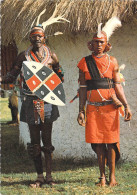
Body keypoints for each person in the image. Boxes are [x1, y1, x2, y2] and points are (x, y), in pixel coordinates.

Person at [1, 24, 65, 187]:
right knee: (35, 142)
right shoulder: (24, 57)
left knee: (47, 142)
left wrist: (49, 87)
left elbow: (59, 77)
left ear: (44, 38)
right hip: (30, 101)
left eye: (40, 36)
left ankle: (49, 177)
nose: (37, 39)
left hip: (47, 101)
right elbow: (12, 75)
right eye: (34, 36)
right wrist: (2, 79)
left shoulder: (52, 57)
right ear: (30, 38)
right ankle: (39, 177)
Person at [77, 17, 132, 187]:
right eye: (96, 42)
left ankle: (112, 176)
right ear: (90, 45)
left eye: (101, 42)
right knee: (98, 143)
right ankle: (102, 176)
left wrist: (126, 105)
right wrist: (81, 110)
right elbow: (83, 88)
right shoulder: (84, 62)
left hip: (110, 109)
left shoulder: (113, 61)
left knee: (111, 142)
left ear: (106, 44)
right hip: (93, 109)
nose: (98, 45)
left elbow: (117, 86)